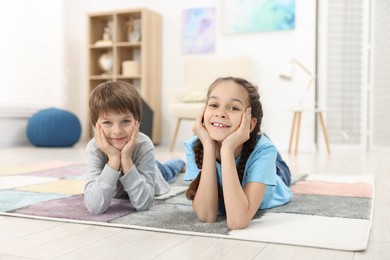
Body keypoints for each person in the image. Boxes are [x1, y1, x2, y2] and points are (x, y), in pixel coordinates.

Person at [184, 77, 292, 230]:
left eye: (233, 108)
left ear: (250, 122)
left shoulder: (264, 151)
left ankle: (255, 133)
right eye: (214, 105)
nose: (220, 113)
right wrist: (208, 146)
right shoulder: (195, 145)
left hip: (275, 173)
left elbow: (237, 221)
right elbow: (206, 216)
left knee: (277, 163)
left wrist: (227, 149)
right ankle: (253, 132)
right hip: (244, 141)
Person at [84, 81, 185, 215]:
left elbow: (144, 204)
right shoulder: (94, 149)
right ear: (95, 126)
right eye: (107, 122)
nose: (117, 131)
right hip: (134, 168)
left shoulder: (144, 145)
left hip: (153, 172)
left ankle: (178, 161)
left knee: (167, 170)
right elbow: (94, 207)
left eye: (125, 121)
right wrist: (114, 159)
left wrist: (126, 159)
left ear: (137, 122)